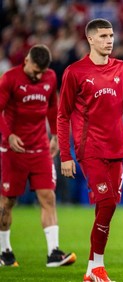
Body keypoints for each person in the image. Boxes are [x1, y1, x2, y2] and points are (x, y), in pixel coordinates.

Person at [57, 19, 123, 282]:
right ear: (91, 40)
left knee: (108, 207)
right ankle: (97, 266)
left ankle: (91, 270)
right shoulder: (75, 72)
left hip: (117, 147)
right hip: (90, 148)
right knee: (106, 202)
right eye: (104, 36)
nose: (110, 40)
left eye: (112, 35)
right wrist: (65, 155)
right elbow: (63, 116)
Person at [0, 45, 76, 268]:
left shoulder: (50, 77)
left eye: (43, 71)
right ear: (26, 61)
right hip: (14, 150)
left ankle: (53, 252)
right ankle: (4, 251)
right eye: (35, 70)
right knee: (8, 201)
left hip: (41, 148)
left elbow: (53, 107)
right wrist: (9, 135)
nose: (39, 75)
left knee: (48, 197)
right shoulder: (9, 79)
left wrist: (54, 135)